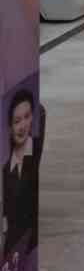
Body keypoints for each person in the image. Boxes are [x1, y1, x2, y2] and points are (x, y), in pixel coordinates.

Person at [2, 89, 45, 256]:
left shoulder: (36, 146)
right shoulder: (5, 170)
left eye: (27, 117)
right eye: (16, 121)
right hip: (12, 249)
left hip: (32, 244)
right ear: (10, 126)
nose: (22, 126)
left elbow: (41, 111)